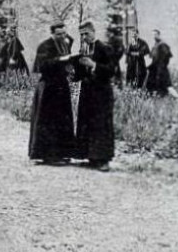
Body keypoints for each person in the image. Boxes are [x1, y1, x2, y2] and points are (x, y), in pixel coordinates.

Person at [28, 22, 76, 165]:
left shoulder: (65, 44)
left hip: (61, 86)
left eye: (64, 33)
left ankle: (63, 153)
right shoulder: (45, 46)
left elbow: (68, 54)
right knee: (49, 121)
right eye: (58, 34)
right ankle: (49, 155)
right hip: (48, 87)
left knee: (63, 120)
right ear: (52, 34)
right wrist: (60, 60)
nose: (62, 36)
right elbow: (42, 66)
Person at [73, 20, 117, 171]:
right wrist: (73, 70)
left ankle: (103, 159)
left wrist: (94, 65)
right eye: (82, 34)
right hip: (87, 92)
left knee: (101, 125)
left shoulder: (105, 48)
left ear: (93, 31)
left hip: (102, 93)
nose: (85, 37)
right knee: (87, 123)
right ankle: (91, 156)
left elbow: (112, 70)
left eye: (87, 33)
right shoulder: (84, 49)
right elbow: (80, 73)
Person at [145, 30, 173, 96]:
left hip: (161, 66)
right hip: (154, 65)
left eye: (155, 34)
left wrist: (163, 64)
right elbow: (152, 54)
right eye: (153, 35)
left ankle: (163, 94)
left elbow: (167, 56)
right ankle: (152, 93)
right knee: (151, 79)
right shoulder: (155, 44)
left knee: (162, 80)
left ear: (159, 35)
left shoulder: (163, 44)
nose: (154, 36)